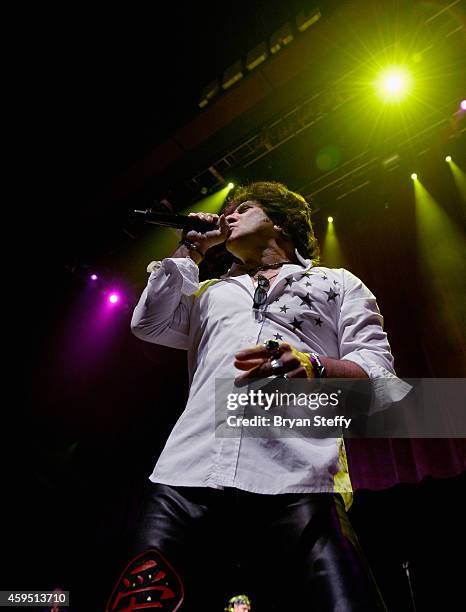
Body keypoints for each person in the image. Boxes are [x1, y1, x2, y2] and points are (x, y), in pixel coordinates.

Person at [121, 181, 395, 611]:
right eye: (224, 211)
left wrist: (316, 366)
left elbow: (380, 378)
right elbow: (149, 323)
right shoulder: (209, 291)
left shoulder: (337, 283)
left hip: (299, 477)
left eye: (243, 209)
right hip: (188, 474)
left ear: (280, 222)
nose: (227, 216)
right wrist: (191, 251)